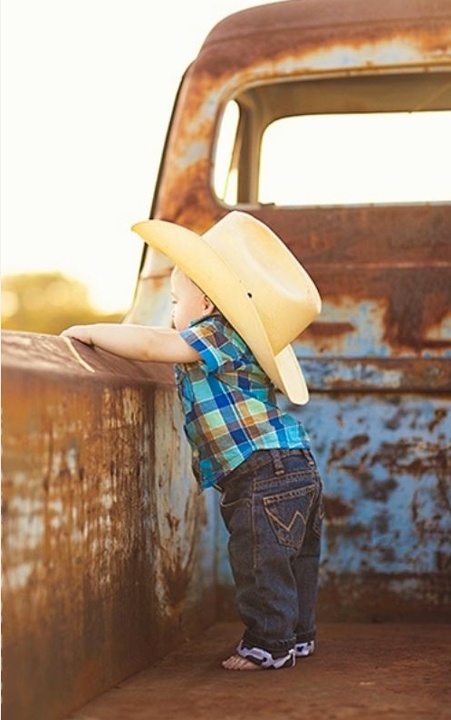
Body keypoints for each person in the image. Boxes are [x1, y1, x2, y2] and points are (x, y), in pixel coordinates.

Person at [61, 211, 324, 671]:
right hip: (292, 464)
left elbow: (152, 345)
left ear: (205, 304)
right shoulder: (231, 340)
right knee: (292, 561)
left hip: (262, 470)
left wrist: (90, 332)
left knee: (259, 560)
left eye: (175, 300)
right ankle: (297, 636)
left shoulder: (218, 334)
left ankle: (270, 644)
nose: (171, 312)